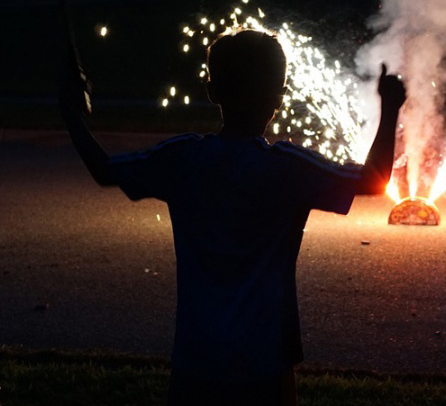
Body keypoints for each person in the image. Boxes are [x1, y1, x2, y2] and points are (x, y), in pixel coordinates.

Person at [59, 29, 406, 405]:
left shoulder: (183, 158)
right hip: (265, 361)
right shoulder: (288, 167)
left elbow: (105, 169)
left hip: (196, 357)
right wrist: (390, 108)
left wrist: (72, 113)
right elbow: (375, 179)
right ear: (279, 96)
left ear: (212, 92)